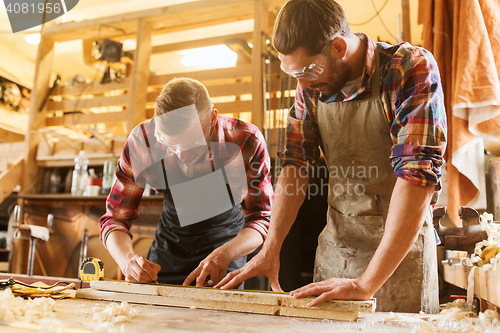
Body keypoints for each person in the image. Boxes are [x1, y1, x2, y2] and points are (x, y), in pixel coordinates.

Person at [216, 0, 447, 313]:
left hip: (398, 259)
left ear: (338, 46)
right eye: (292, 72)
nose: (302, 84)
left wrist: (366, 283)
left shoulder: (408, 67)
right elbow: (297, 165)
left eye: (307, 70)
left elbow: (417, 174)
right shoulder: (311, 86)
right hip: (337, 251)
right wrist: (271, 248)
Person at [100, 78, 273, 287]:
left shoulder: (246, 141)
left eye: (192, 144)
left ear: (212, 119)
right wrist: (127, 262)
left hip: (226, 254)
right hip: (169, 255)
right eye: (170, 144)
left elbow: (261, 219)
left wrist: (226, 254)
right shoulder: (142, 142)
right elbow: (115, 218)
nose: (180, 155)